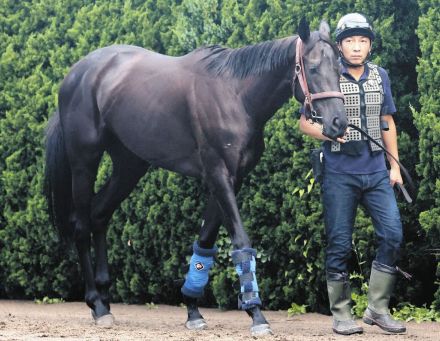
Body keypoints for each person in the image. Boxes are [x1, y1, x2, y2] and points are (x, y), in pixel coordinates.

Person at [299, 13, 407, 335]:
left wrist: (395, 166)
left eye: (362, 41)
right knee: (339, 243)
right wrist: (328, 134)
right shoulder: (327, 74)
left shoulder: (380, 75)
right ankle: (342, 313)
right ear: (340, 46)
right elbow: (304, 122)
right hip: (339, 172)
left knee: (393, 234)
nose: (356, 47)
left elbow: (387, 121)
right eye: (349, 41)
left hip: (375, 171)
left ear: (370, 45)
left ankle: (377, 308)